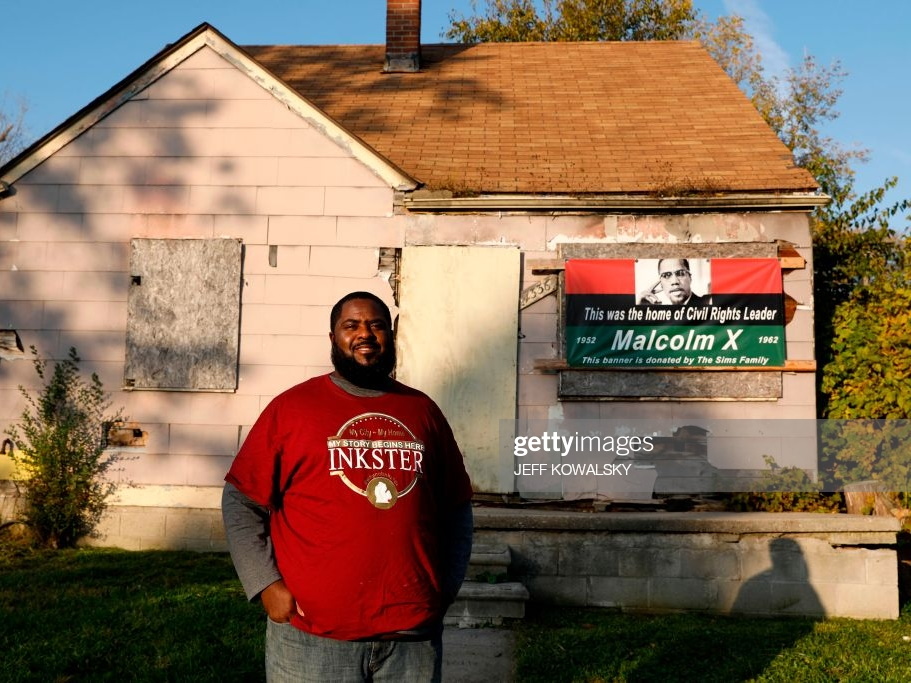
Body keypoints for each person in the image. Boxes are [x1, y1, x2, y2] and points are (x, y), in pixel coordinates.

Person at [222, 291, 474, 682]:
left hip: (411, 638)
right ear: (333, 338)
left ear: (391, 336)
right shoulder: (293, 409)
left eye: (376, 325)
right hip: (312, 637)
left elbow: (456, 507)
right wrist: (264, 584)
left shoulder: (422, 411)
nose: (365, 334)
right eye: (351, 325)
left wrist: (447, 586)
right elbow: (241, 501)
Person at [637, 258, 709, 306]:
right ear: (661, 284)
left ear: (690, 278)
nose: (674, 281)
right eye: (666, 275)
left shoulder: (708, 302)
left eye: (680, 273)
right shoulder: (662, 315)